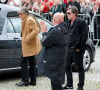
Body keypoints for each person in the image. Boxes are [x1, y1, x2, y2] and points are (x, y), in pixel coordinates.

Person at [39, 12, 66, 90]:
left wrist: (44, 32)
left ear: (53, 19)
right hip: (60, 59)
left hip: (55, 61)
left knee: (56, 84)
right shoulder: (63, 28)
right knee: (57, 83)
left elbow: (45, 42)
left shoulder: (55, 31)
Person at [63, 6, 89, 90]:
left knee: (79, 68)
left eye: (69, 13)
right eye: (66, 13)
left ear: (74, 13)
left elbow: (84, 36)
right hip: (69, 48)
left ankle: (80, 86)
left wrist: (80, 48)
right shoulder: (68, 22)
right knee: (67, 66)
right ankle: (69, 84)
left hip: (77, 49)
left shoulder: (81, 22)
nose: (67, 15)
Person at [16, 7, 42, 87]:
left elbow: (36, 30)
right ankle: (33, 81)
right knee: (32, 62)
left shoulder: (29, 19)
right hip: (30, 45)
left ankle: (25, 81)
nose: (19, 16)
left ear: (25, 14)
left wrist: (28, 38)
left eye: (20, 14)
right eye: (19, 14)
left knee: (23, 62)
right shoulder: (27, 19)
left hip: (29, 45)